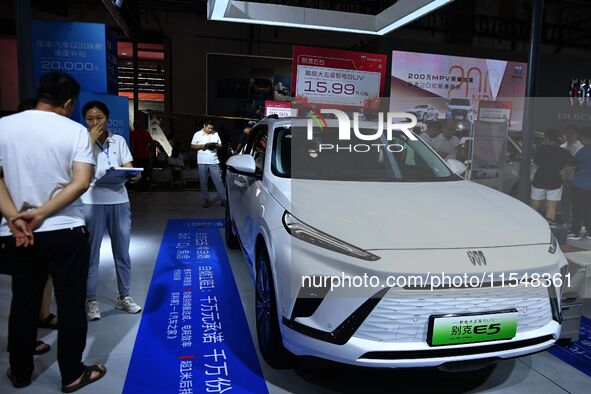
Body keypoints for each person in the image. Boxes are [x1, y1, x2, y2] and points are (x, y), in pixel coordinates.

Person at [0, 72, 106, 391]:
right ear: (69, 103)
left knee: (24, 300)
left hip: (17, 231)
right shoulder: (75, 131)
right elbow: (81, 181)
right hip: (64, 229)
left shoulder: (4, 126)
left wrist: (15, 217)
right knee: (71, 302)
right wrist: (42, 213)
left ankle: (20, 372)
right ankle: (72, 373)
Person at [81, 100, 142, 321]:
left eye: (99, 118)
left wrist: (134, 175)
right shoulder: (81, 141)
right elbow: (76, 169)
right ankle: (91, 300)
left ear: (107, 118)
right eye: (90, 119)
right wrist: (89, 142)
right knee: (91, 253)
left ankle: (124, 296)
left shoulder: (119, 140)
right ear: (85, 121)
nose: (95, 122)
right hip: (92, 201)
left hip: (119, 199)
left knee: (122, 251)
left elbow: (129, 166)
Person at [531, 128, 577, 224]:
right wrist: (564, 170)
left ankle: (531, 223)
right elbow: (574, 163)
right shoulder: (562, 151)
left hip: (539, 179)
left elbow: (536, 162)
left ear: (547, 138)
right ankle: (549, 225)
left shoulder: (542, 149)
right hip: (555, 180)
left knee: (535, 204)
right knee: (551, 206)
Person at [191, 120, 226, 208]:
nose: (210, 130)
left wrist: (215, 146)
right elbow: (192, 146)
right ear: (204, 126)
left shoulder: (215, 133)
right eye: (209, 128)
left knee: (218, 181)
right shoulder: (197, 134)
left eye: (212, 128)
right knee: (204, 182)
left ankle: (223, 199)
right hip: (202, 161)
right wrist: (203, 146)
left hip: (214, 160)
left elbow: (220, 145)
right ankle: (206, 200)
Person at [568, 127, 591, 239]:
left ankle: (575, 231)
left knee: (577, 208)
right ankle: (590, 231)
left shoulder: (582, 151)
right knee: (589, 208)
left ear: (584, 137)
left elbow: (573, 164)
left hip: (579, 184)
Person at [560, 125, 583, 225]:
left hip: (577, 179)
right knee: (564, 201)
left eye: (571, 133)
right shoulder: (562, 147)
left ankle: (576, 223)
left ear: (577, 134)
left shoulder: (581, 148)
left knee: (576, 202)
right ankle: (566, 221)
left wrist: (569, 168)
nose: (568, 135)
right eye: (566, 133)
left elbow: (581, 164)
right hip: (563, 179)